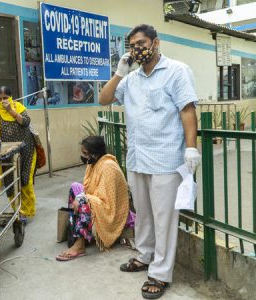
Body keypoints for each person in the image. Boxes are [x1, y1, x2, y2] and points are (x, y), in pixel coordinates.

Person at [99, 24, 201, 299]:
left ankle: (160, 273)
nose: (138, 49)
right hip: (138, 158)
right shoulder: (131, 80)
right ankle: (144, 256)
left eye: (142, 43)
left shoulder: (176, 71)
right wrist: (120, 73)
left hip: (167, 158)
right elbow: (103, 99)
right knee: (143, 214)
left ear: (156, 43)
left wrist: (191, 149)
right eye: (133, 45)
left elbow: (188, 110)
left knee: (164, 219)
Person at [55, 136, 130, 261]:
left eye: (85, 153)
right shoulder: (94, 163)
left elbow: (106, 199)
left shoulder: (108, 166)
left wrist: (82, 199)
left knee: (85, 201)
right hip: (100, 200)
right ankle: (79, 235)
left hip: (113, 209)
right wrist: (80, 197)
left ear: (95, 153)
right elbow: (89, 189)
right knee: (75, 188)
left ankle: (79, 246)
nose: (83, 156)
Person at [0, 86, 37, 222]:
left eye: (5, 98)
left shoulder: (19, 107)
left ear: (11, 97)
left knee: (25, 180)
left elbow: (26, 122)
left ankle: (28, 209)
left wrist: (10, 111)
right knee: (10, 182)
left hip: (26, 149)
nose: (2, 101)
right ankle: (19, 211)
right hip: (7, 153)